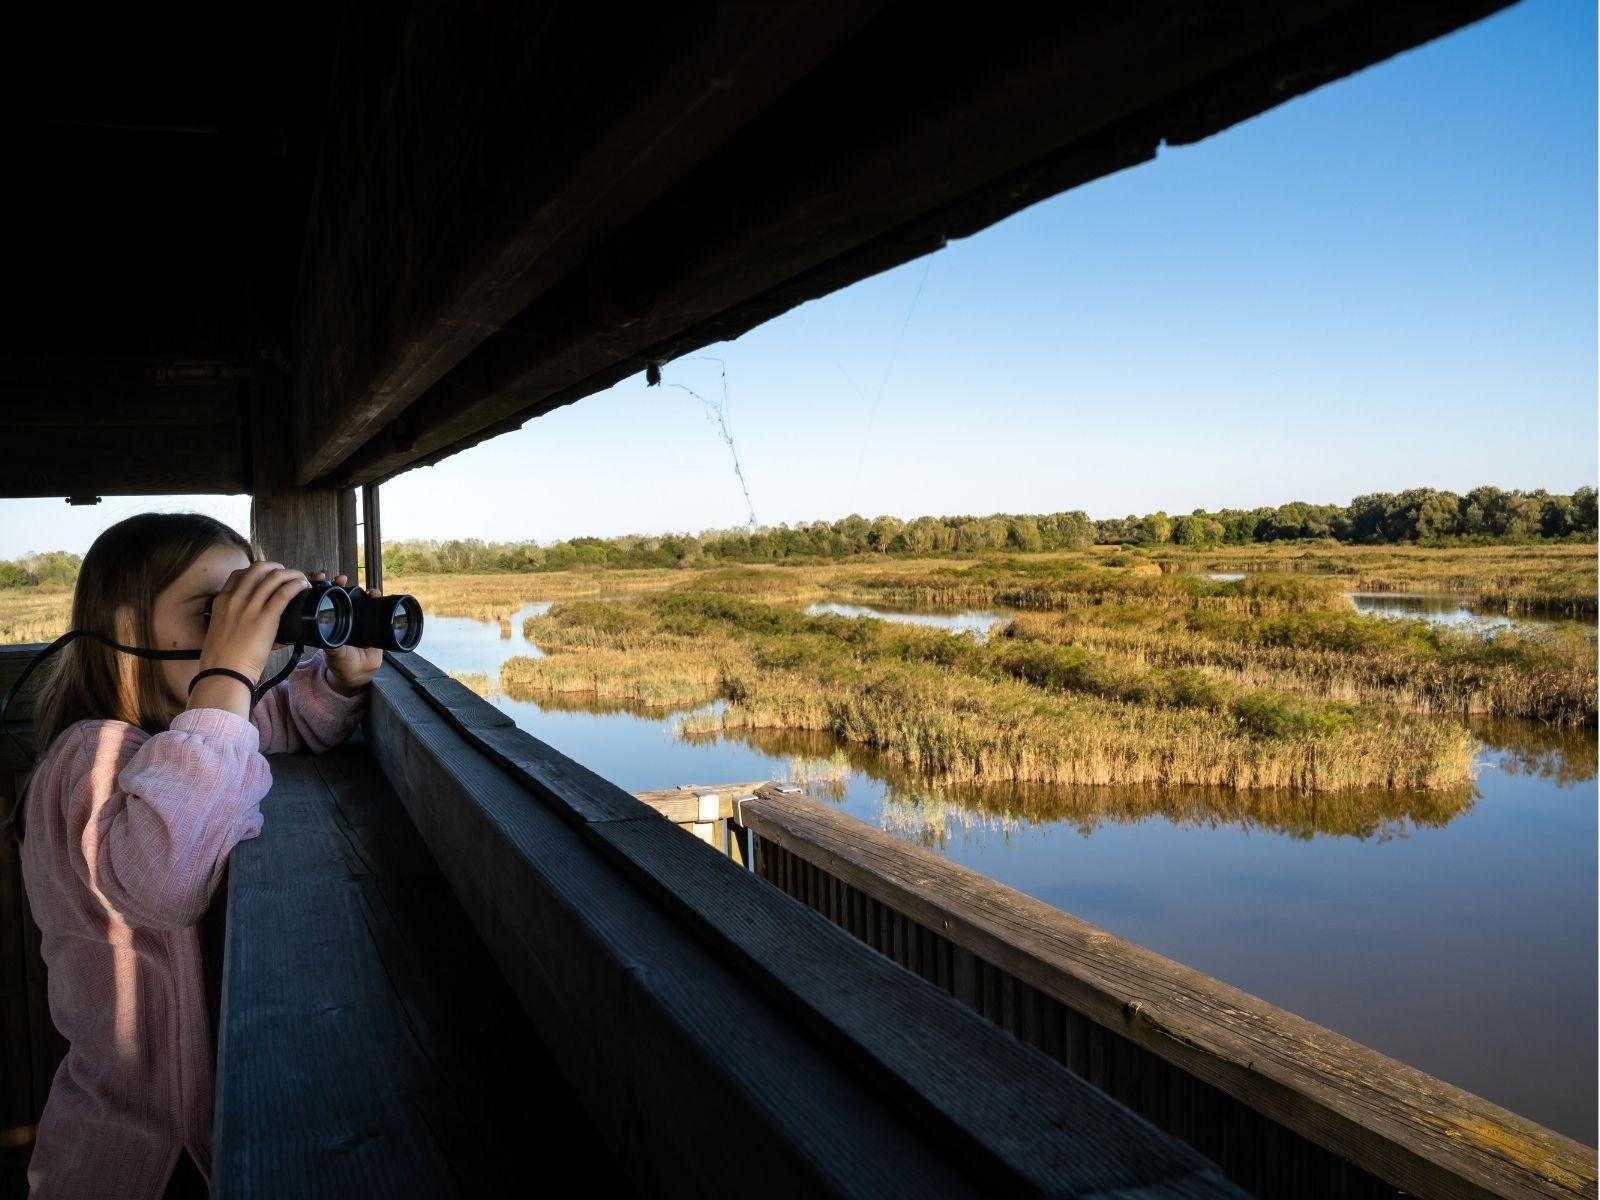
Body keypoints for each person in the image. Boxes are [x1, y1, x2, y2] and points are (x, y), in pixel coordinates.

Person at [15, 513, 384, 1199]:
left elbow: (266, 729)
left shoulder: (186, 737)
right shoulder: (84, 756)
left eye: (248, 605)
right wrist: (227, 672)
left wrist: (337, 680)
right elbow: (166, 879)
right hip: (139, 1154)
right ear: (127, 629)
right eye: (215, 612)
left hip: (210, 1138)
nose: (237, 632)